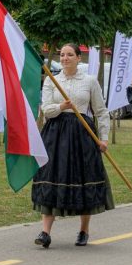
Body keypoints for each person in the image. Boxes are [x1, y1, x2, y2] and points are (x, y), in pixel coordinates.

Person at [32, 43, 113, 248]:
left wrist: (103, 138)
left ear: (79, 58)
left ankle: (84, 230)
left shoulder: (90, 81)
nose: (65, 58)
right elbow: (46, 110)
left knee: (83, 177)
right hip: (55, 134)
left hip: (82, 134)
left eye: (70, 55)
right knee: (51, 176)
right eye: (62, 55)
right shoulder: (52, 80)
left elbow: (101, 111)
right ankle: (45, 232)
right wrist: (61, 106)